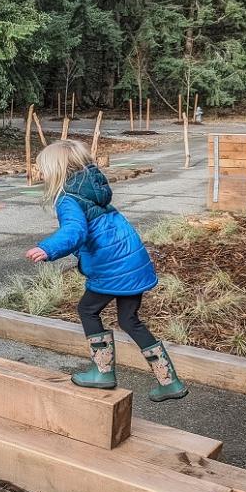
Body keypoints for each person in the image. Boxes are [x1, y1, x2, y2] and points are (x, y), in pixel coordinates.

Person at [27, 140, 188, 401]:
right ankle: (169, 382)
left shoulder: (69, 199)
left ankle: (103, 372)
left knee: (87, 309)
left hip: (115, 268)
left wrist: (49, 248)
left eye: (42, 168)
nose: (40, 173)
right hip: (133, 262)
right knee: (129, 320)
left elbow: (75, 232)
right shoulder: (94, 188)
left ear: (58, 169)